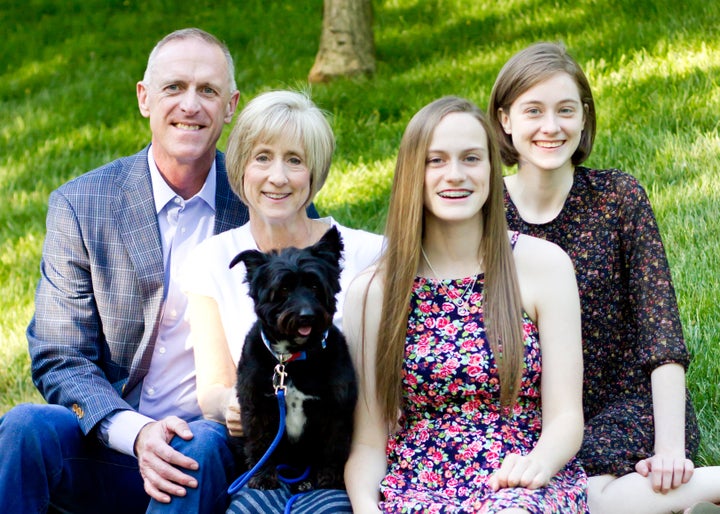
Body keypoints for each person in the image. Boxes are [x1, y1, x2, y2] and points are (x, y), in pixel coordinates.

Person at [0, 28, 251, 514]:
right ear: (144, 98)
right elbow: (59, 355)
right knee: (25, 428)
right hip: (111, 439)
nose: (190, 105)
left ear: (231, 105)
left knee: (196, 447)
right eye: (174, 87)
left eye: (208, 91)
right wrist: (135, 434)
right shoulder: (81, 204)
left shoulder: (257, 206)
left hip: (211, 447)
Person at [488, 41, 720, 514]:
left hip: (628, 407)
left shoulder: (618, 197)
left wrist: (671, 448)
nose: (551, 127)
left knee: (576, 489)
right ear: (505, 120)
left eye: (566, 110)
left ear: (584, 116)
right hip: (531, 422)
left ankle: (676, 487)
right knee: (575, 490)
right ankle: (697, 493)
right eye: (533, 110)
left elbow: (662, 332)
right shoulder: (483, 210)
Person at [343, 96, 589, 513]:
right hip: (417, 489)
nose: (454, 175)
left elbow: (566, 417)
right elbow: (368, 442)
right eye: (435, 160)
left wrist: (538, 464)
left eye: (471, 158)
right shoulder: (375, 292)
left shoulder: (542, 265)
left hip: (521, 482)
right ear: (411, 174)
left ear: (492, 169)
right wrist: (367, 507)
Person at [181, 89, 384, 514]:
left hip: (344, 454)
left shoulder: (368, 254)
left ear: (315, 171)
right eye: (262, 158)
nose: (278, 176)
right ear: (240, 168)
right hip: (262, 451)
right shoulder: (214, 259)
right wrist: (238, 404)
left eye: (295, 160)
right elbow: (213, 390)